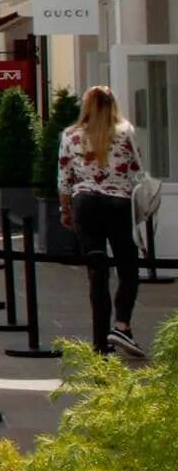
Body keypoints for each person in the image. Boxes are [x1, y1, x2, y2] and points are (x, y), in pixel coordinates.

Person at [58, 85, 148, 357]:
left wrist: (66, 209)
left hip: (86, 205)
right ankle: (122, 325)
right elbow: (136, 170)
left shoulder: (71, 135)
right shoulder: (125, 132)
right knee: (128, 267)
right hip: (119, 205)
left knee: (97, 274)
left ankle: (99, 344)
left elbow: (64, 177)